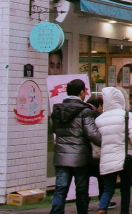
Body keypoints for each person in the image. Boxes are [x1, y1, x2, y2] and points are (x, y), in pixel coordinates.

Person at [50, 79, 101, 214]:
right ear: (81, 92)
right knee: (81, 190)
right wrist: (104, 142)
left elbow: (53, 129)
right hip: (81, 157)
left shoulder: (57, 109)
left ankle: (56, 212)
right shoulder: (85, 111)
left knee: (61, 188)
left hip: (61, 155)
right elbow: (92, 133)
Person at [95, 87, 132, 214]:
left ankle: (102, 208)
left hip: (107, 158)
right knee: (125, 188)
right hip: (125, 157)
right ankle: (124, 211)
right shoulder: (127, 115)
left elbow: (95, 141)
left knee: (108, 187)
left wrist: (102, 153)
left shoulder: (99, 119)